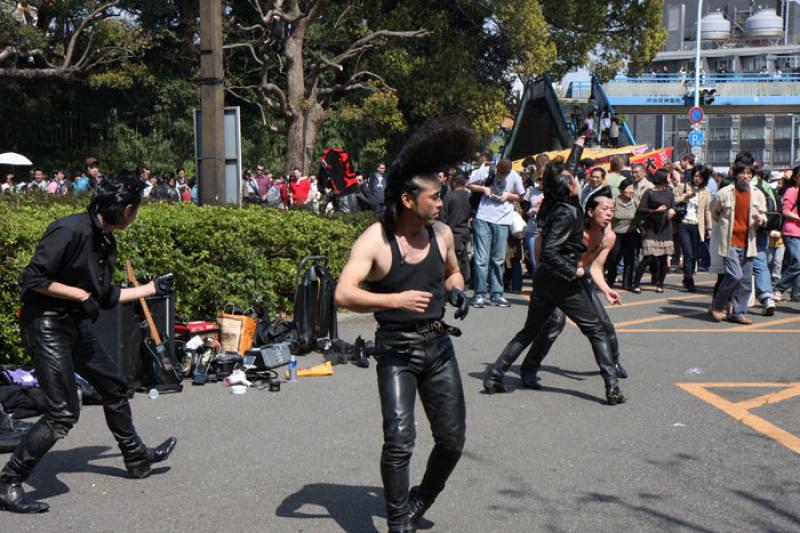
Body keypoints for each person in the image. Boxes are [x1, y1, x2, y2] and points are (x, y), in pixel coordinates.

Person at [0, 173, 178, 514]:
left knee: (114, 386)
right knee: (61, 413)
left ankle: (136, 457)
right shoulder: (69, 230)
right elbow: (33, 278)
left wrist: (153, 288)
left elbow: (106, 295)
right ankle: (7, 481)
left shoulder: (105, 241)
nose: (135, 215)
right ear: (126, 209)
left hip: (75, 325)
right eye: (136, 209)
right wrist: (78, 293)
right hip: (47, 326)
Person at [334, 118, 474, 533]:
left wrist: (456, 290)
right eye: (435, 195)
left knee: (451, 442)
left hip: (438, 348)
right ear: (409, 200)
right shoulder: (376, 239)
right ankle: (397, 522)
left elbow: (453, 273)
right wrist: (394, 299)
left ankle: (418, 502)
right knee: (399, 443)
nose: (441, 201)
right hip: (396, 350)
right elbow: (343, 293)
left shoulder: (443, 233)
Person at [482, 137, 626, 405]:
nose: (577, 180)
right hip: (561, 280)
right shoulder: (567, 212)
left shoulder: (554, 201)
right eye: (573, 179)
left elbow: (562, 173)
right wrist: (576, 271)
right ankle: (613, 388)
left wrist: (578, 146)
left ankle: (494, 375)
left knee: (529, 331)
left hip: (546, 281)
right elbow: (549, 252)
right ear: (569, 187)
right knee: (595, 330)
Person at [516, 187, 628, 391]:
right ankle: (529, 369)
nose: (610, 213)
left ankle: (613, 362)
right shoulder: (573, 230)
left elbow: (595, 267)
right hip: (556, 279)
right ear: (591, 211)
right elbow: (543, 254)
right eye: (605, 208)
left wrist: (606, 289)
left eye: (612, 209)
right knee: (553, 325)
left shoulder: (608, 237)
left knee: (604, 324)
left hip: (579, 280)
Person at [709, 162, 767, 324]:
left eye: (749, 174)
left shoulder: (757, 193)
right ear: (736, 174)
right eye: (743, 173)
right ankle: (717, 306)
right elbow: (714, 210)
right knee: (735, 275)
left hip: (749, 242)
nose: (746, 176)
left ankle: (738, 312)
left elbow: (764, 214)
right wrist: (723, 226)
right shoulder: (725, 192)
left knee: (746, 281)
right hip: (730, 242)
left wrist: (762, 219)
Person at [467, 157, 525, 308]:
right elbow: (470, 185)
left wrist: (508, 196)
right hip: (482, 218)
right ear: (497, 168)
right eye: (501, 172)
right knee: (481, 259)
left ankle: (496, 294)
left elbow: (521, 196)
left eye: (505, 173)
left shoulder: (515, 177)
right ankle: (479, 294)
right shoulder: (486, 170)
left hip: (503, 220)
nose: (503, 175)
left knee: (498, 259)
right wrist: (483, 189)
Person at [632, 169, 675, 293]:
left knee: (663, 259)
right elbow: (641, 210)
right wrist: (656, 211)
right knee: (647, 257)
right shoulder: (649, 192)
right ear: (663, 178)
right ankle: (636, 283)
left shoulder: (670, 193)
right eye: (668, 177)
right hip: (651, 227)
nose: (670, 179)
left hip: (665, 228)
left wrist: (672, 211)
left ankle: (660, 284)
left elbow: (672, 207)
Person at [676, 165, 713, 292]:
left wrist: (710, 228)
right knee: (688, 253)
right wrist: (685, 196)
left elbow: (708, 210)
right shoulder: (683, 186)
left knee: (694, 255)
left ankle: (687, 277)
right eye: (696, 176)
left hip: (698, 225)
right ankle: (689, 279)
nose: (698, 179)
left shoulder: (706, 190)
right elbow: (674, 201)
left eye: (701, 177)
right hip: (683, 224)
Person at [773, 166, 800, 303]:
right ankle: (779, 287)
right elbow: (785, 211)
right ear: (795, 178)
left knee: (796, 263)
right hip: (791, 231)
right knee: (797, 262)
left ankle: (797, 293)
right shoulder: (791, 191)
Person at [439, 173, 472, 284]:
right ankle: (466, 278)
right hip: (466, 232)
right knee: (464, 257)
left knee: (454, 260)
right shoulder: (469, 196)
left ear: (454, 183)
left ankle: (457, 281)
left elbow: (442, 216)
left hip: (452, 233)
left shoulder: (449, 196)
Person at [606, 178, 638, 290]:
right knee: (614, 258)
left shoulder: (635, 202)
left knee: (629, 259)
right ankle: (609, 281)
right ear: (621, 189)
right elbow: (608, 218)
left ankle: (627, 283)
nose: (631, 191)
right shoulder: (614, 201)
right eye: (628, 188)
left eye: (632, 188)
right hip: (616, 234)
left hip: (631, 233)